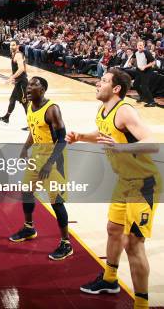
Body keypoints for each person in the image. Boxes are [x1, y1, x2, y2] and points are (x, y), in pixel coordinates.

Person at [66, 69, 159, 309]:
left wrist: (121, 149)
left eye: (104, 81)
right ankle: (109, 279)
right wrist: (81, 136)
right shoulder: (104, 110)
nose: (98, 83)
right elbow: (104, 135)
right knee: (113, 229)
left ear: (116, 89)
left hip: (143, 182)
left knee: (134, 244)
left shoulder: (125, 111)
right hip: (124, 180)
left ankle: (141, 304)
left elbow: (152, 143)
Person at [11, 76, 73, 260]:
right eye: (28, 85)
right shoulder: (30, 107)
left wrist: (49, 163)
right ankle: (29, 228)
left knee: (56, 201)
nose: (29, 87)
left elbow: (62, 139)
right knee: (27, 192)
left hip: (54, 158)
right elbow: (33, 130)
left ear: (43, 90)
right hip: (37, 154)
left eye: (33, 85)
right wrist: (24, 149)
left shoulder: (52, 109)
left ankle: (66, 243)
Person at [0, 40, 29, 129]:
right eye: (10, 45)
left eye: (13, 45)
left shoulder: (18, 55)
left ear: (17, 46)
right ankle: (6, 118)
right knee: (12, 99)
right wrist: (12, 76)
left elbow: (22, 69)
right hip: (19, 82)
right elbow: (19, 69)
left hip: (22, 83)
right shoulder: (14, 54)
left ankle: (31, 124)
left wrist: (12, 77)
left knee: (25, 103)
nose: (11, 47)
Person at [134, 41, 157, 107]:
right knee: (135, 85)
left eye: (141, 45)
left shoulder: (147, 52)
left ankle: (152, 102)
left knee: (144, 86)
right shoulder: (136, 52)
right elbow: (135, 59)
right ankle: (142, 97)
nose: (140, 47)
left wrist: (145, 67)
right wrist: (131, 62)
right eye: (138, 45)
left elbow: (153, 62)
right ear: (137, 46)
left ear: (143, 46)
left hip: (147, 71)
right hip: (139, 70)